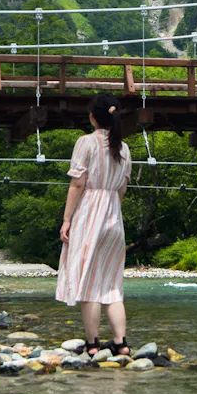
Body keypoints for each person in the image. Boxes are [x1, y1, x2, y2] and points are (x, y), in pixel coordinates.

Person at [56, 93, 133, 357]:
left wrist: (67, 220)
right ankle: (121, 343)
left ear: (92, 117)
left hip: (90, 213)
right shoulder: (124, 148)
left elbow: (77, 183)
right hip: (113, 215)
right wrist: (113, 214)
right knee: (112, 285)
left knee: (88, 283)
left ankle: (92, 345)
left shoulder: (85, 142)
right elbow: (122, 188)